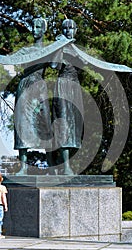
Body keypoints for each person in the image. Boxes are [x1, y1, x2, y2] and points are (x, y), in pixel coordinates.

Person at [14, 17, 53, 175]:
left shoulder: (49, 50)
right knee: (22, 125)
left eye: (38, 27)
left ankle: (51, 165)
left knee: (45, 126)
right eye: (33, 26)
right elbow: (7, 60)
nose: (34, 30)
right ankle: (23, 167)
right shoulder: (25, 51)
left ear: (43, 30)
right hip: (25, 87)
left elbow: (56, 65)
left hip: (39, 87)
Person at [52, 19, 84, 175]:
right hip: (63, 85)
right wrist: (59, 48)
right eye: (65, 28)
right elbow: (53, 65)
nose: (68, 31)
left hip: (75, 87)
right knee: (63, 123)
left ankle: (67, 164)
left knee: (75, 125)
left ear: (76, 30)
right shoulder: (60, 48)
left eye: (71, 28)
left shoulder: (77, 50)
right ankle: (65, 166)